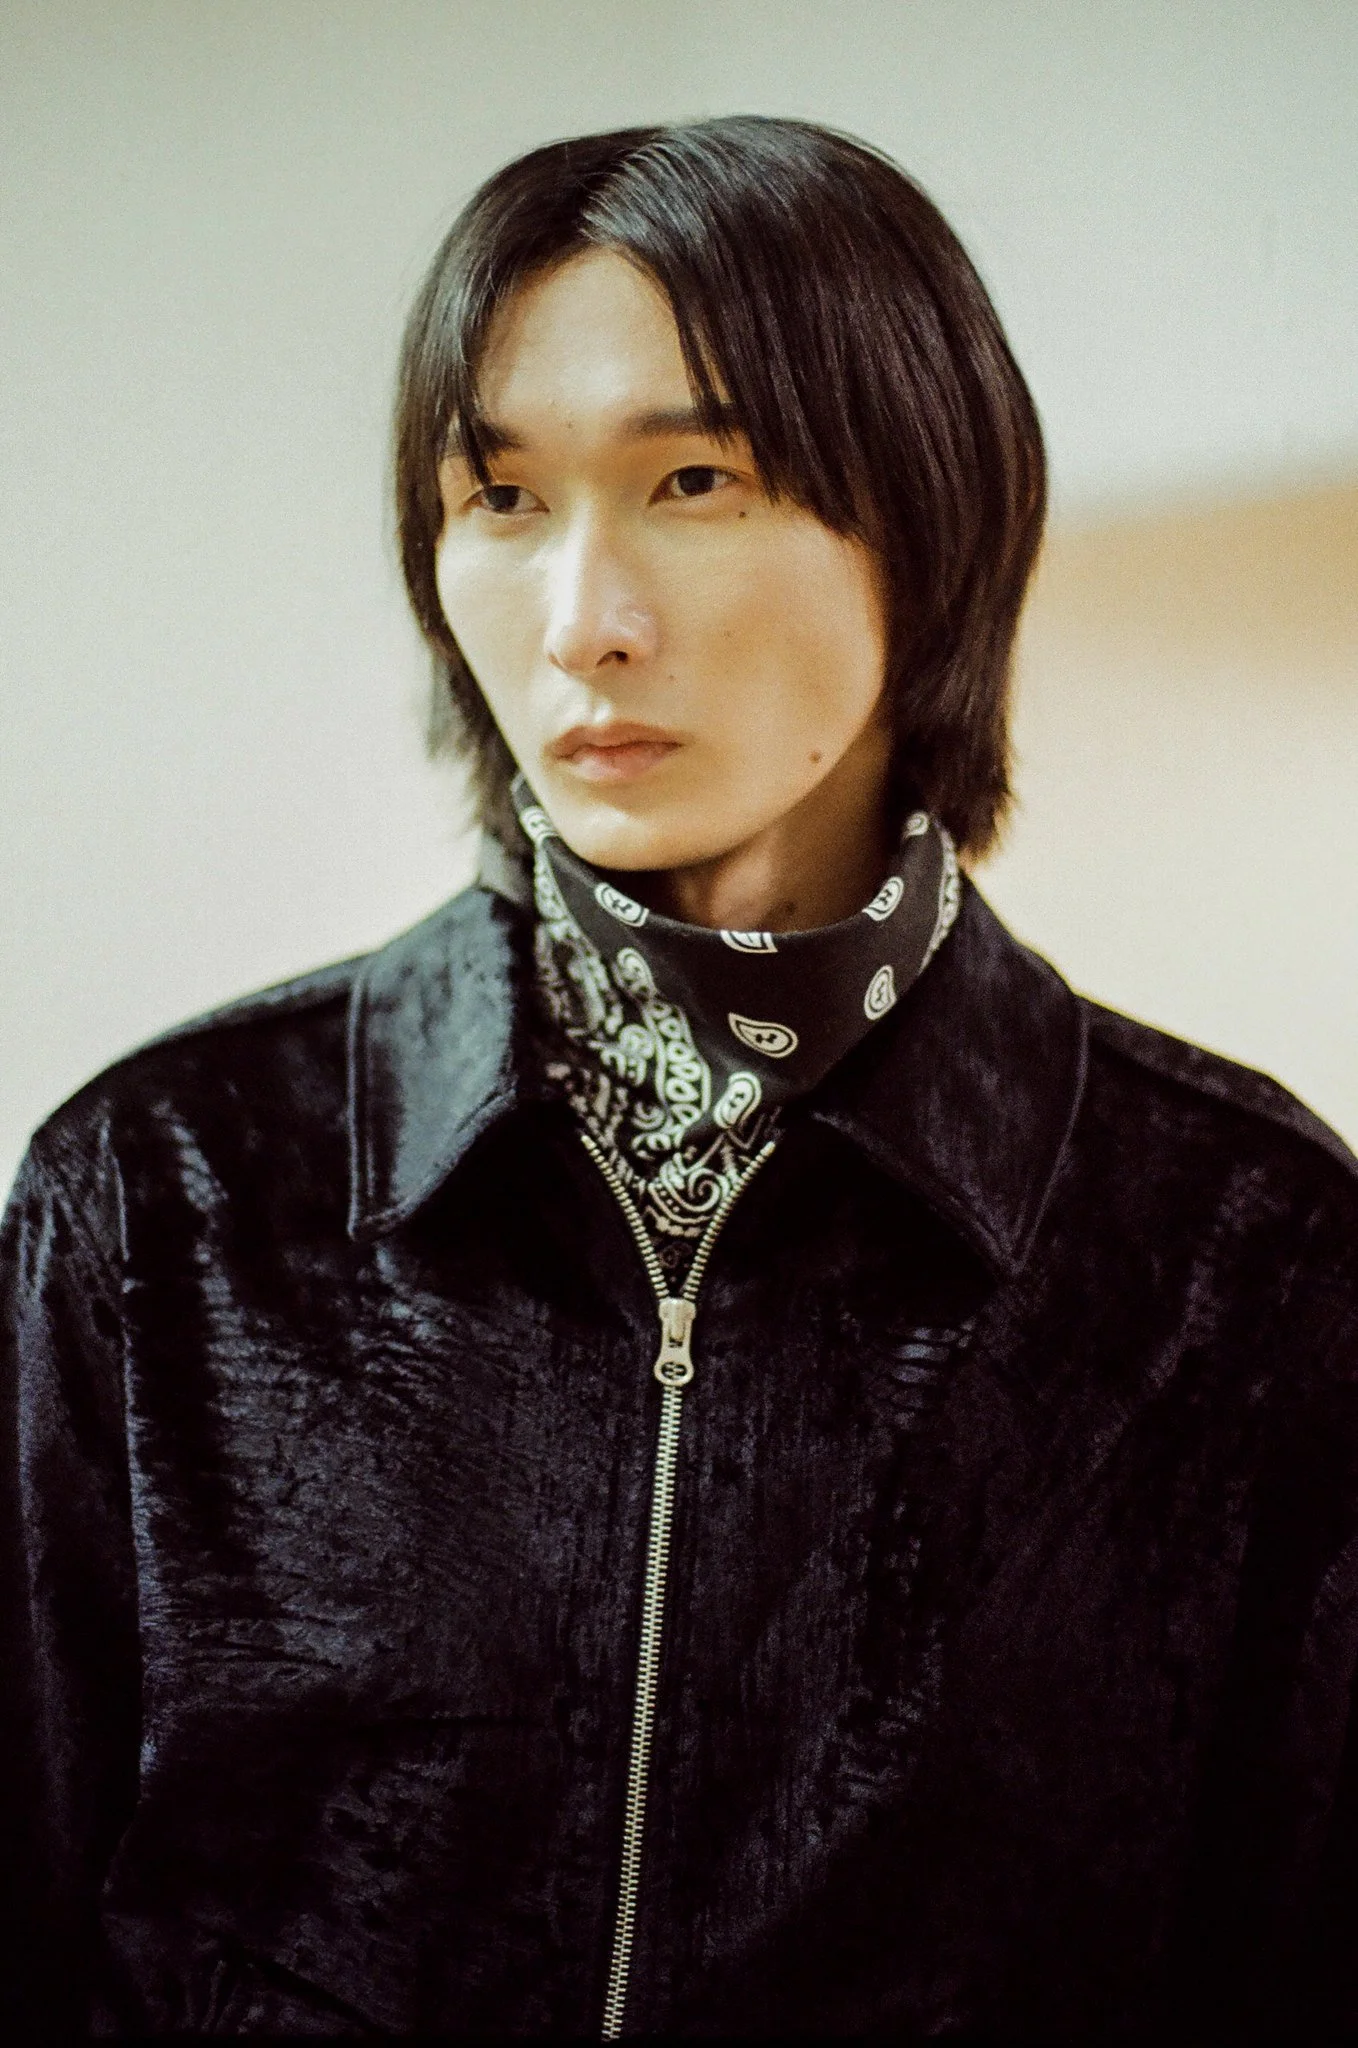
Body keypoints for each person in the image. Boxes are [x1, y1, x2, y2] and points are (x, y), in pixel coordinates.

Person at [3, 114, 1356, 2042]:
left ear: (932, 514)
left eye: (695, 478)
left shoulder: (1246, 1253)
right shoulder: (166, 1197)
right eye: (499, 498)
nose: (583, 621)